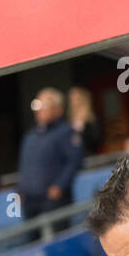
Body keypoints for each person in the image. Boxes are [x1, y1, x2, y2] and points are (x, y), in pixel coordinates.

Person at [17, 88, 81, 220]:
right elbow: (24, 165)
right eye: (36, 105)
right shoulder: (30, 136)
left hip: (53, 199)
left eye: (44, 105)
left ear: (58, 108)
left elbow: (74, 161)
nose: (39, 110)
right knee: (33, 237)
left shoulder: (65, 132)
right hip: (30, 200)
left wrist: (59, 186)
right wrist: (21, 189)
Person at [67, 86, 102, 157]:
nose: (73, 100)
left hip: (88, 155)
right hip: (74, 156)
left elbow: (97, 138)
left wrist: (82, 131)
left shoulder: (90, 118)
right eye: (71, 98)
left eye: (76, 97)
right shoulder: (68, 119)